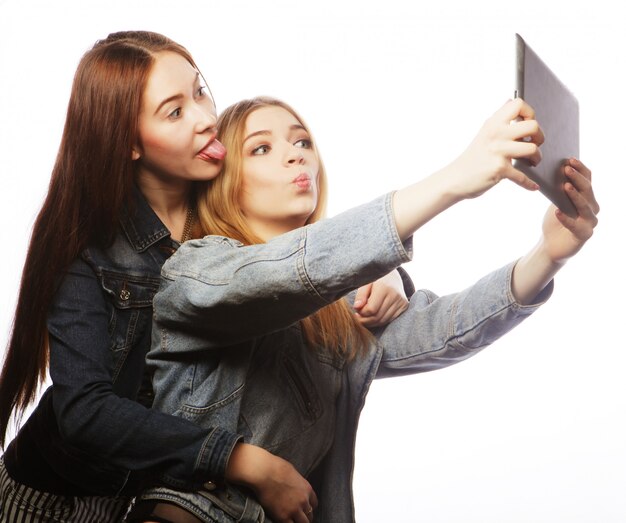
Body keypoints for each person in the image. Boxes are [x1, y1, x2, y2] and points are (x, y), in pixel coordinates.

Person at [0, 33, 410, 522]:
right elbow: (84, 412)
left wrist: (387, 276)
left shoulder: (224, 201)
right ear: (129, 142)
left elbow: (303, 251)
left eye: (200, 92)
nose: (204, 119)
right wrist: (241, 460)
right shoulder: (93, 249)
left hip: (154, 499)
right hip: (52, 496)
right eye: (174, 112)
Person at [131, 96, 599, 523]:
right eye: (261, 148)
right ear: (226, 180)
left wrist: (550, 253)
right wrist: (457, 178)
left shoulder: (337, 312)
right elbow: (286, 272)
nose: (296, 155)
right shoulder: (193, 270)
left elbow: (447, 329)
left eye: (302, 141)